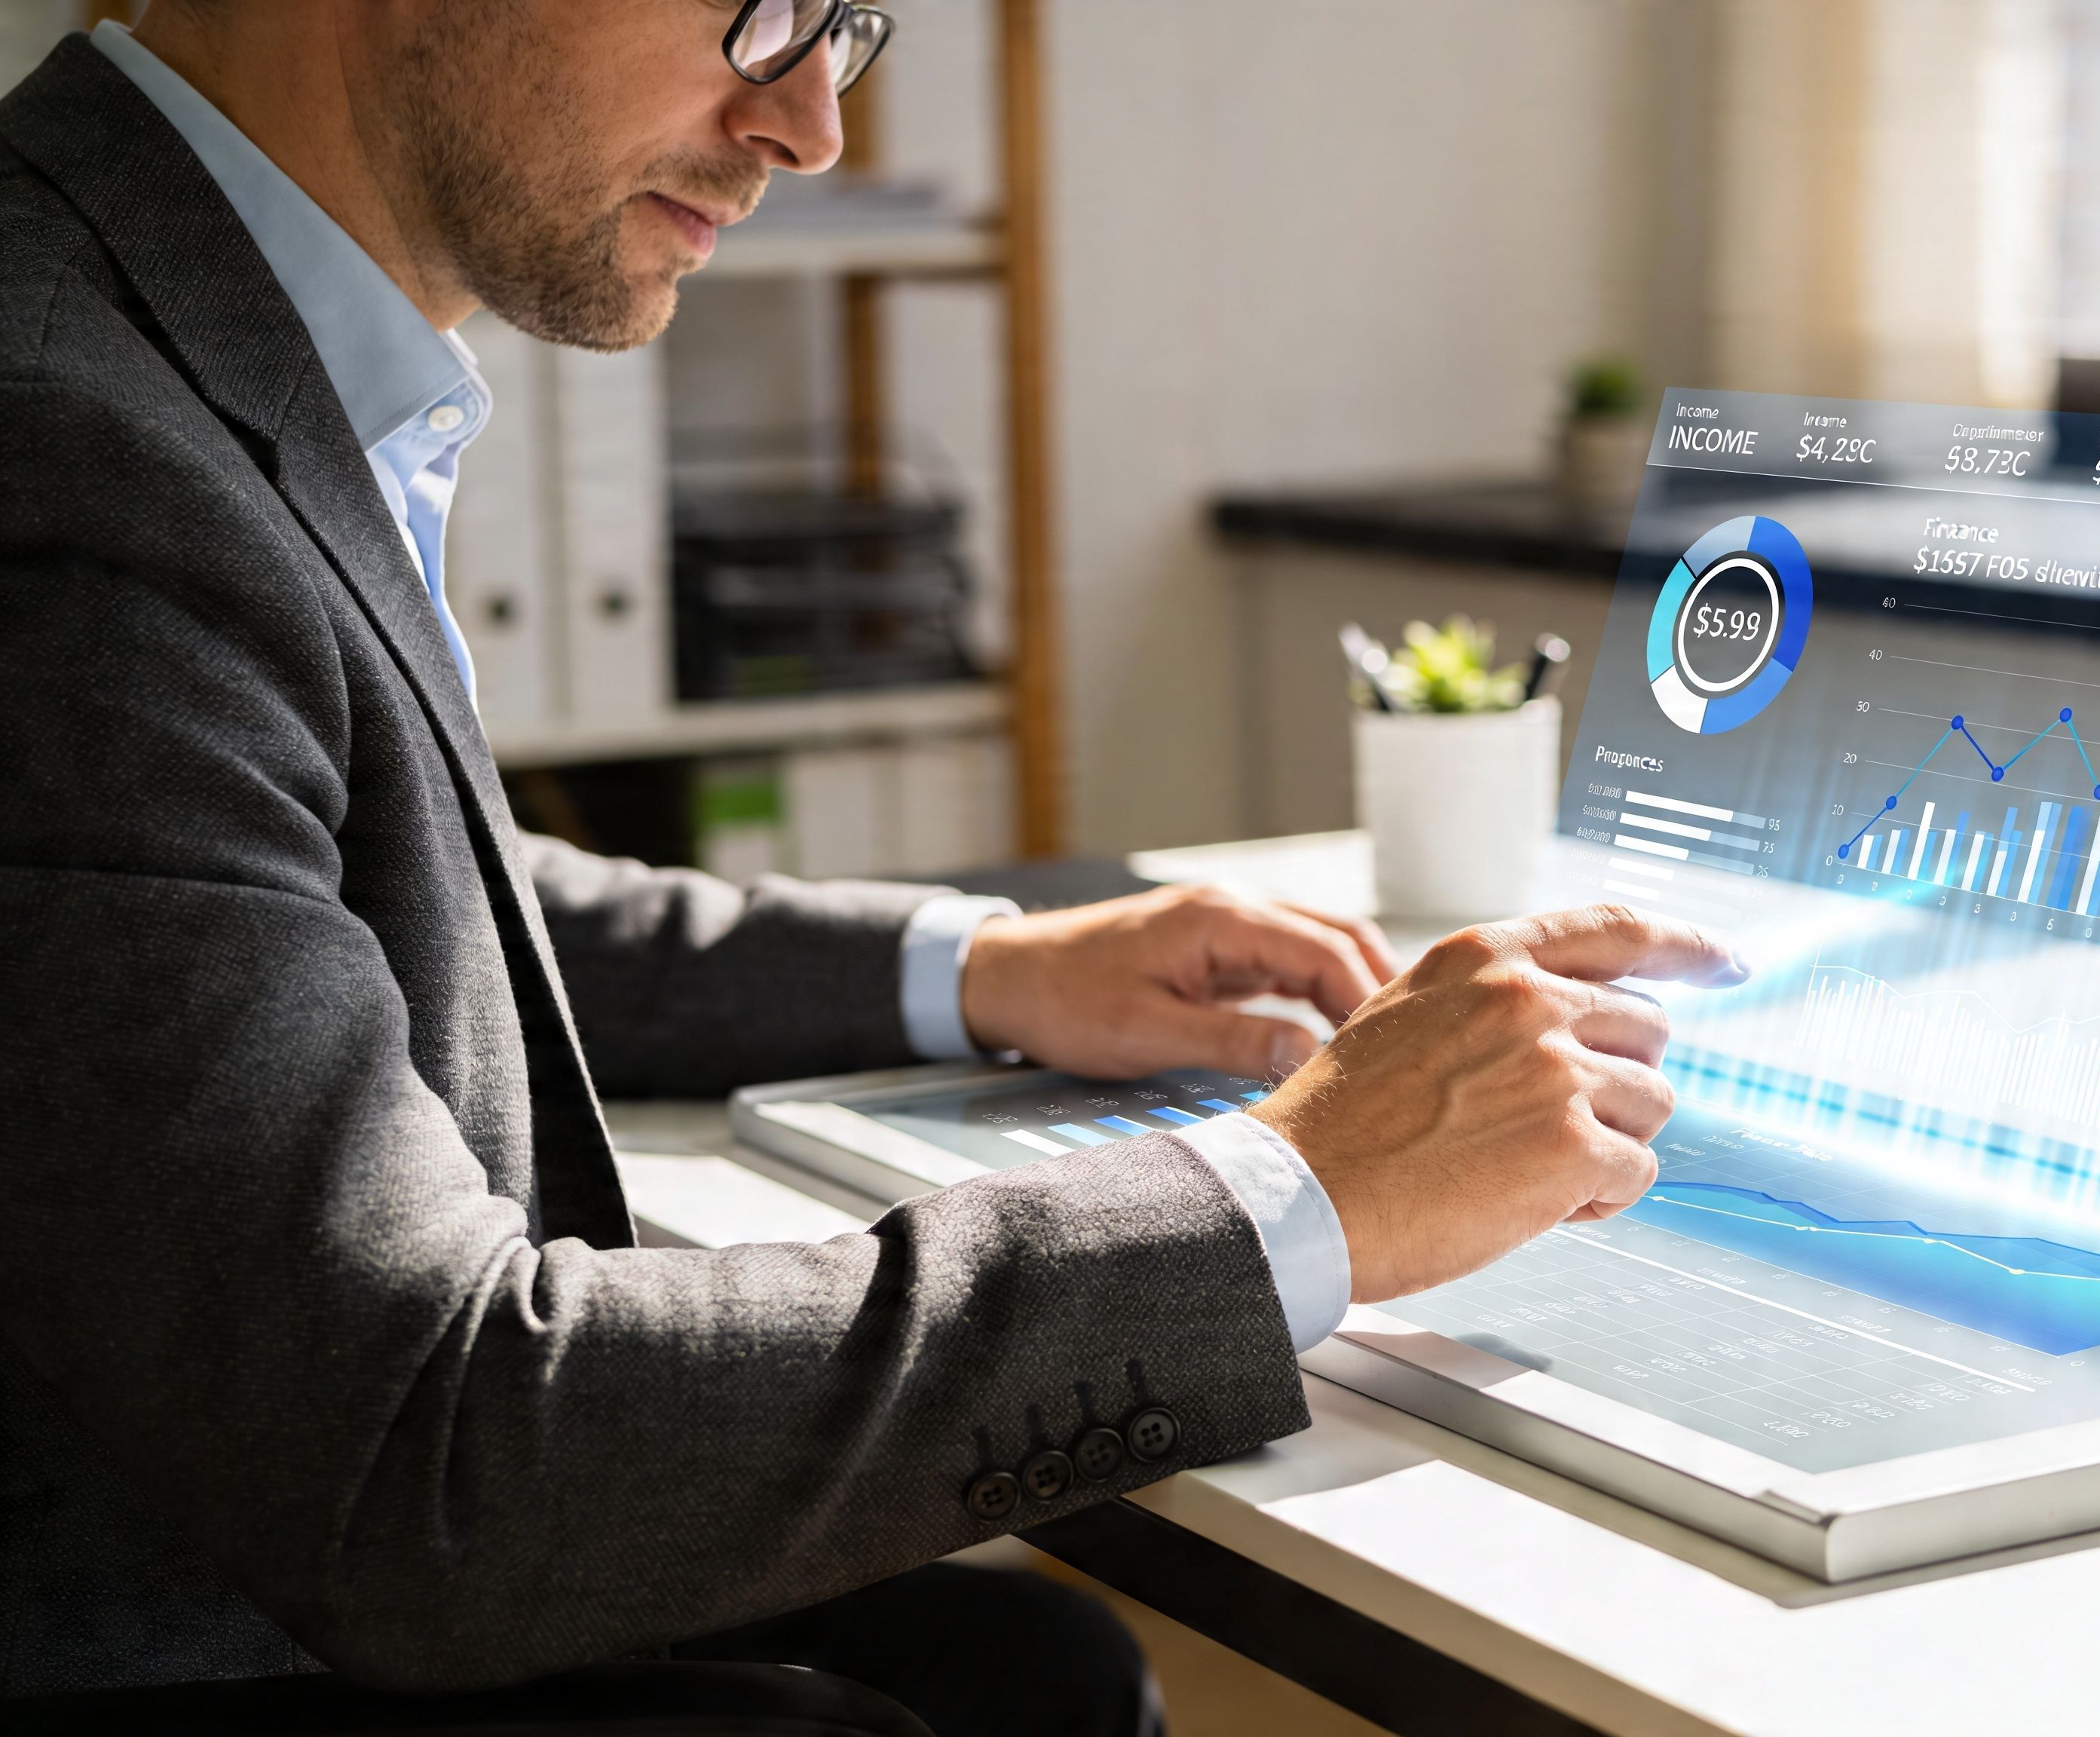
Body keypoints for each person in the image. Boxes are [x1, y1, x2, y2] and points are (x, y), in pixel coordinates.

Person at [0, 3, 1740, 1729]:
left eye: (846, 23)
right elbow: (424, 1464)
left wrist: (982, 971)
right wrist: (1291, 1194)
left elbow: (363, 902)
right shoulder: (71, 455)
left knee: (1039, 1676)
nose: (811, 125)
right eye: (759, 7)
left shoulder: (168, 331)